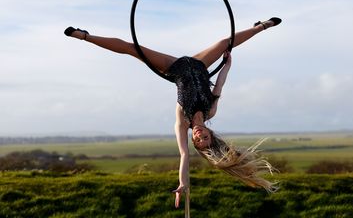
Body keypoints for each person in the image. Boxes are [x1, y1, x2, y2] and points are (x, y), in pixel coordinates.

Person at [64, 17, 281, 207]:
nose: (199, 135)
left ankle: (85, 36)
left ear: (194, 141)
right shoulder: (210, 111)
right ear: (210, 134)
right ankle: (261, 26)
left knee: (133, 48)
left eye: (198, 140)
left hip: (175, 67)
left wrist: (183, 184)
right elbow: (220, 86)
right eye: (205, 136)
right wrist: (227, 64)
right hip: (199, 65)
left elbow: (184, 156)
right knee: (227, 42)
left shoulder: (182, 122)